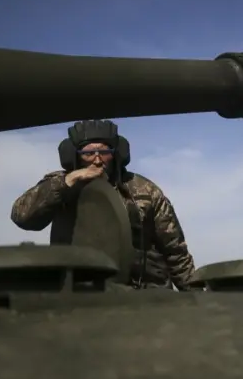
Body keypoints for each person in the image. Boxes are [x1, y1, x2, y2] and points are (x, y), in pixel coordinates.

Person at [10, 119, 196, 291]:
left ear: (116, 154)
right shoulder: (60, 185)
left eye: (104, 152)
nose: (97, 160)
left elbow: (175, 251)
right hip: (79, 292)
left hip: (144, 293)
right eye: (89, 153)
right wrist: (70, 180)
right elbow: (22, 216)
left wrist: (195, 294)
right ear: (75, 156)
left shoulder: (144, 190)